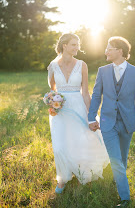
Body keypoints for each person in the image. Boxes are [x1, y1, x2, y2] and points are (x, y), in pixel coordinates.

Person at [88, 36, 135, 207]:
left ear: (120, 51)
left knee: (122, 158)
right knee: (115, 160)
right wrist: (91, 117)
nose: (105, 51)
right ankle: (125, 198)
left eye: (109, 48)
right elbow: (96, 95)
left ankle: (118, 181)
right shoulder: (102, 71)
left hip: (127, 123)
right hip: (108, 123)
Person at [47, 33, 109, 194]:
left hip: (79, 106)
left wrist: (91, 115)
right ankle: (62, 178)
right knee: (60, 146)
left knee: (81, 141)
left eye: (78, 44)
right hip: (60, 110)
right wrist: (52, 102)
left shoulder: (82, 65)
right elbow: (52, 90)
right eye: (74, 44)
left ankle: (83, 171)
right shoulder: (52, 66)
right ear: (64, 45)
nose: (77, 47)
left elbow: (85, 93)